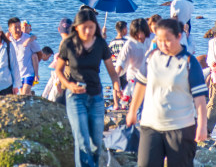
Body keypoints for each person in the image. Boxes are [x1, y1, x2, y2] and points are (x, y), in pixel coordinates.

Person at [126, 18, 208, 167]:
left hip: (181, 128)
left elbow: (200, 99)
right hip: (150, 125)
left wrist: (202, 125)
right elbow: (140, 85)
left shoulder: (189, 62)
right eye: (159, 40)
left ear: (178, 36)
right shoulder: (151, 57)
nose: (163, 44)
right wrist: (132, 111)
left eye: (168, 40)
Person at [55, 10, 121, 167]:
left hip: (96, 96)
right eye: (84, 27)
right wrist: (68, 84)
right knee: (82, 140)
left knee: (97, 144)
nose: (88, 31)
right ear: (76, 27)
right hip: (75, 96)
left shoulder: (100, 44)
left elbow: (112, 71)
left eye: (91, 27)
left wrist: (116, 84)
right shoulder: (68, 44)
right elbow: (58, 70)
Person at [114, 18, 151, 109]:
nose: (139, 35)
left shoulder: (152, 39)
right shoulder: (130, 44)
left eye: (141, 32)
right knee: (139, 105)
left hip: (150, 77)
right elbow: (121, 62)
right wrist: (116, 81)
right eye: (136, 33)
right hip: (134, 78)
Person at [7, 17, 43, 96]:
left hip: (28, 73)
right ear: (10, 30)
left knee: (24, 94)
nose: (18, 29)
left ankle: (30, 98)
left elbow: (40, 53)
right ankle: (32, 99)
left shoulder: (28, 38)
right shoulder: (9, 40)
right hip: (17, 74)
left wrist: (34, 67)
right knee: (22, 94)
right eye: (15, 27)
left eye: (19, 27)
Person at [43, 17, 72, 104]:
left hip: (66, 80)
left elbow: (62, 64)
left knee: (60, 104)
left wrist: (59, 82)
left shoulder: (63, 43)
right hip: (76, 79)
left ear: (59, 29)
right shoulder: (76, 41)